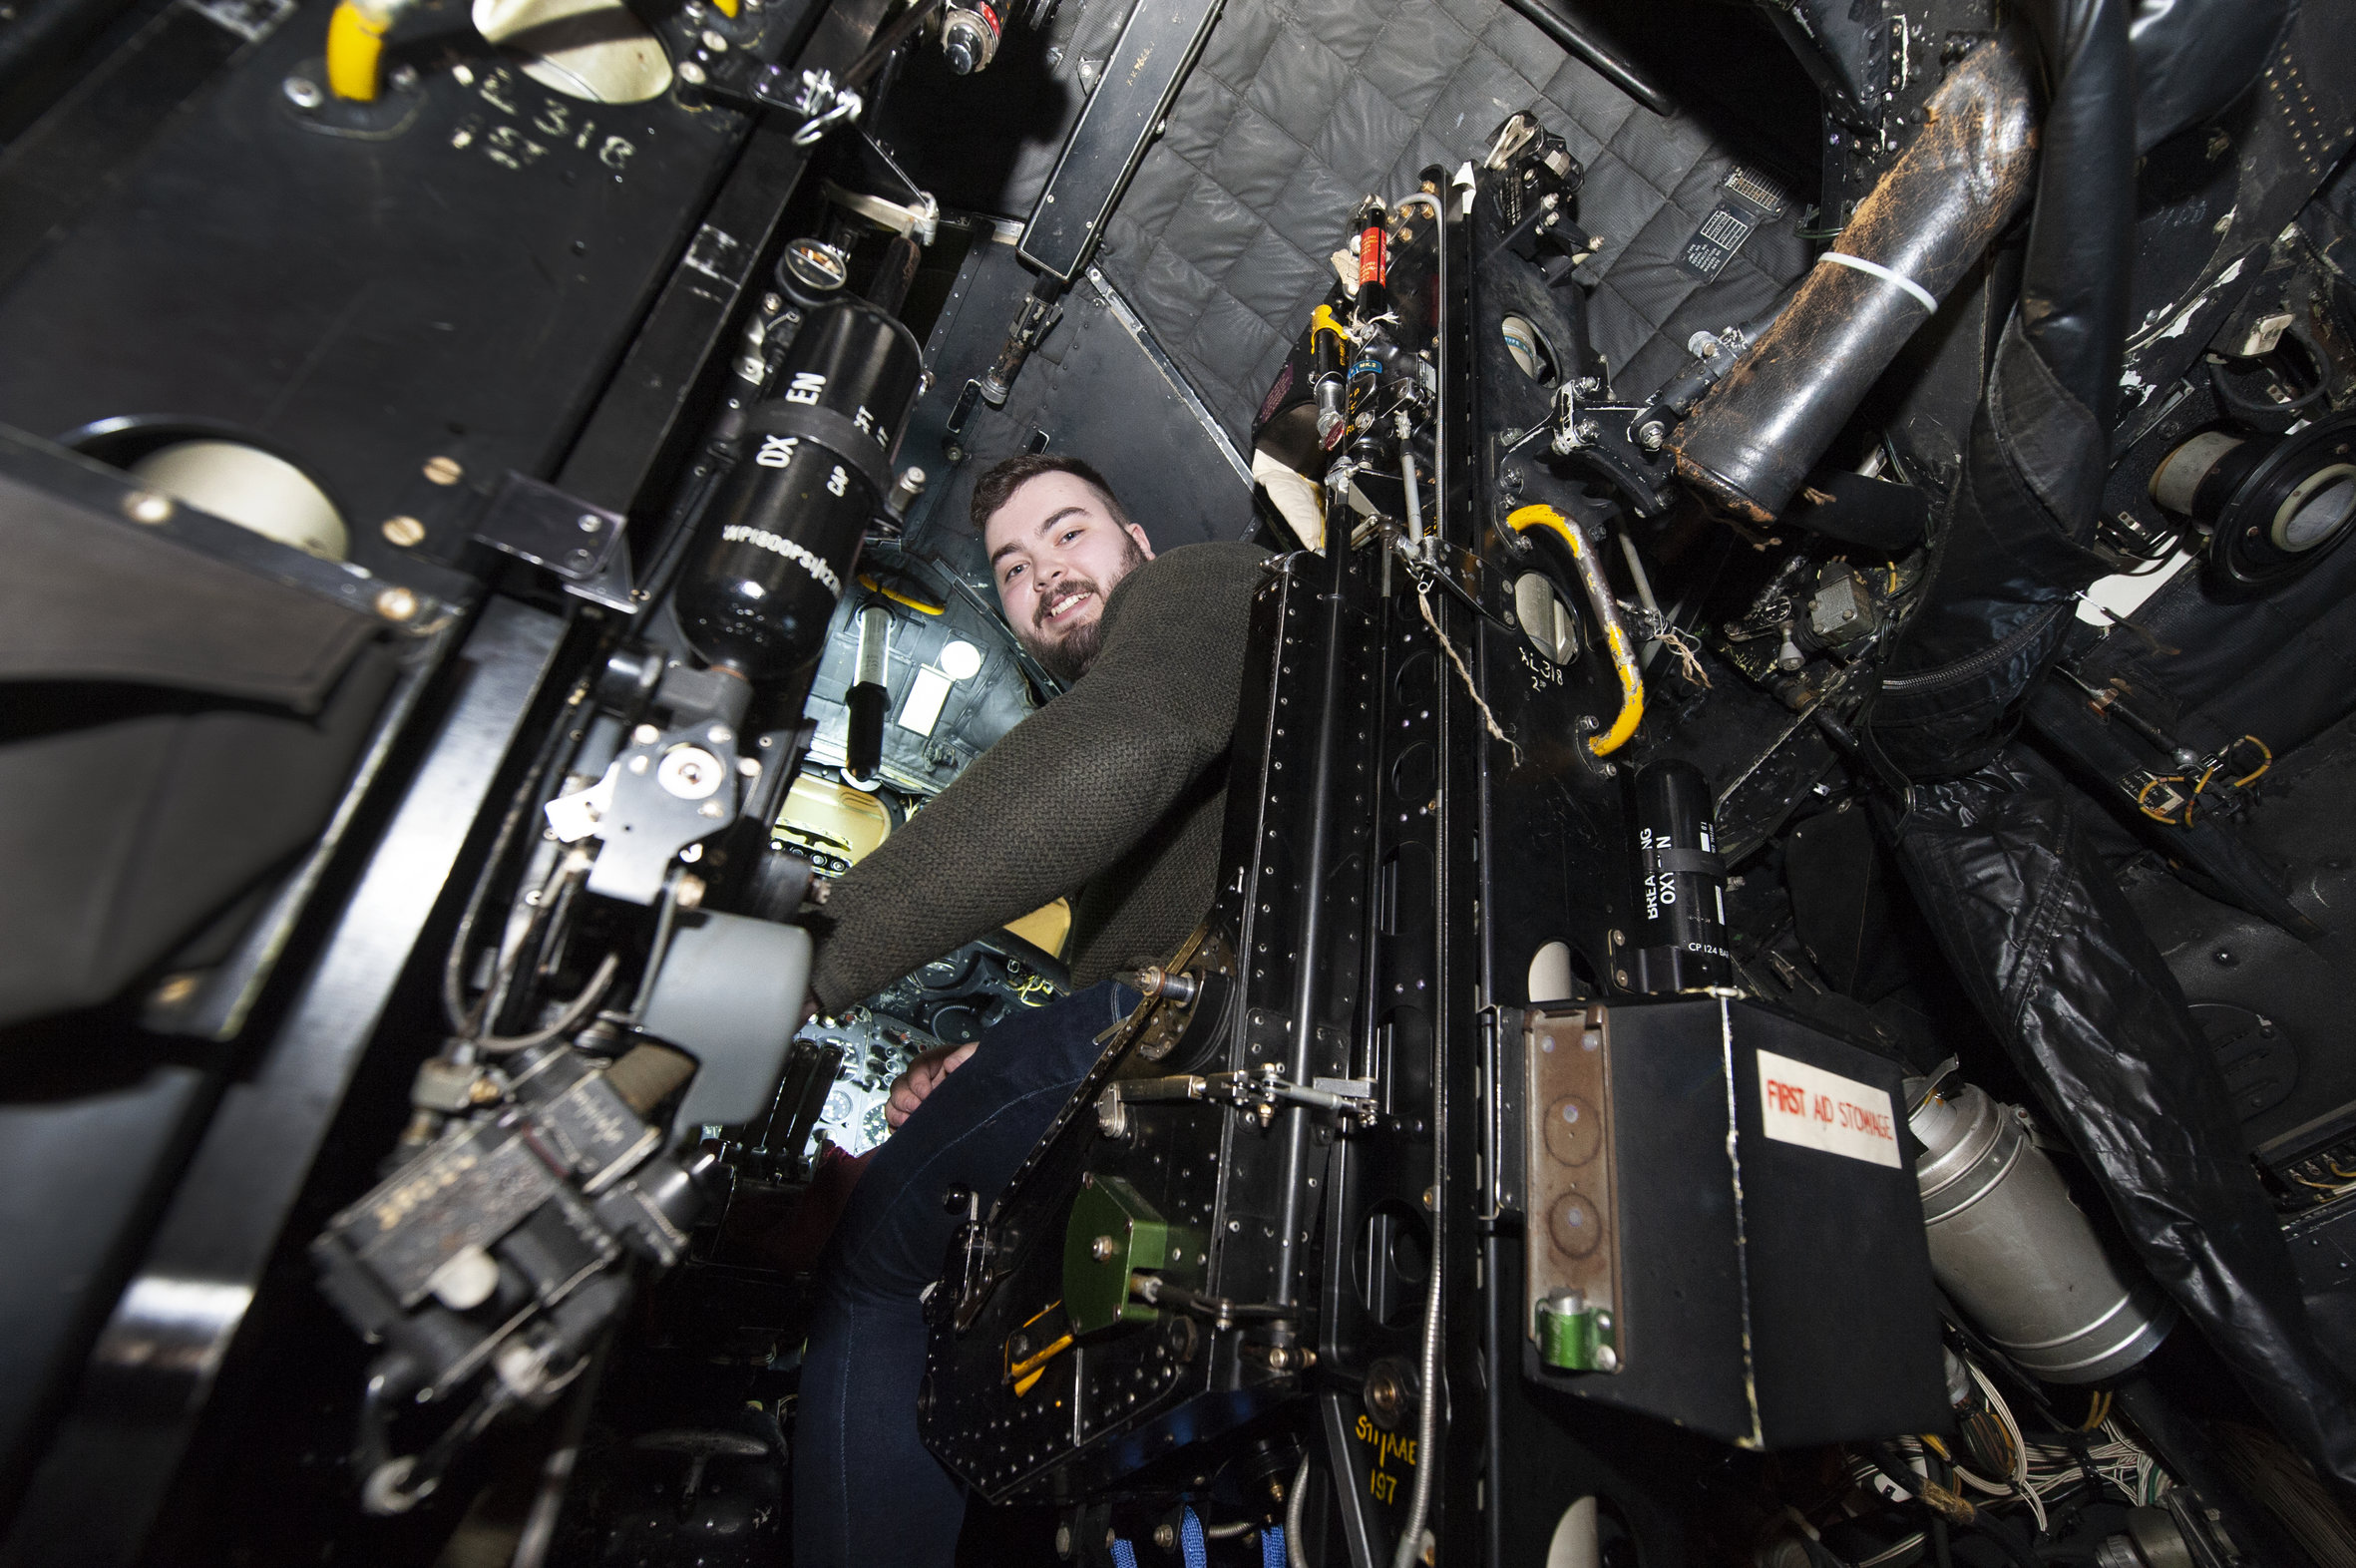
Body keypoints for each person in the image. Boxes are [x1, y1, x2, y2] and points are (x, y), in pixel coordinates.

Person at [792, 453, 1269, 1566]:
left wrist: (808, 952)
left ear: (1138, 542)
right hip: (1176, 1040)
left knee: (877, 1274)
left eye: (1068, 533)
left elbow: (1123, 744)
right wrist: (989, 1057)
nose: (1044, 573)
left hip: (1180, 1033)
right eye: (1012, 566)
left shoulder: (1201, 581)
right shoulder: (1188, 682)